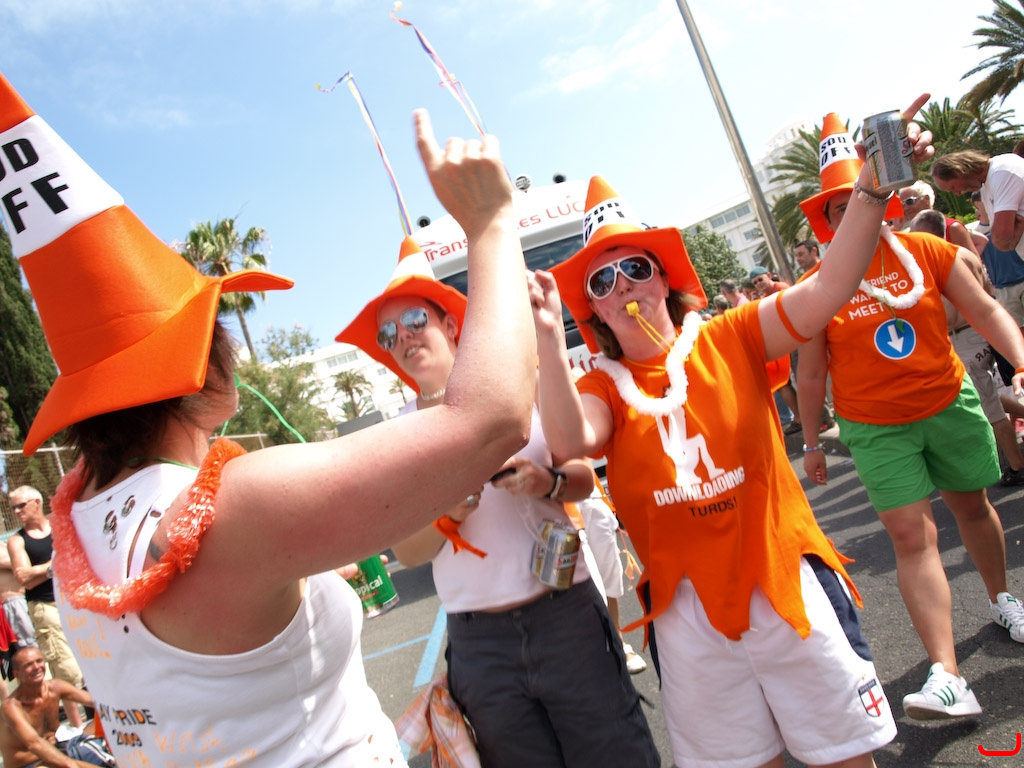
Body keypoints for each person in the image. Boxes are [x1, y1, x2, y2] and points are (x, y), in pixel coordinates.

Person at [0, 70, 538, 767]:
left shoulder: (74, 521)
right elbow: (493, 417)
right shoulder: (228, 504)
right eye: (215, 323)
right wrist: (491, 223)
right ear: (200, 368)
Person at [527, 94, 936, 768]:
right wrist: (547, 339)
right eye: (602, 279)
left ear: (664, 277)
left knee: (846, 758)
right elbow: (572, 443)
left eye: (635, 267)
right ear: (592, 309)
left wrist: (867, 191)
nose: (622, 284)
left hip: (784, 583)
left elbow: (827, 290)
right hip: (687, 617)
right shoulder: (599, 385)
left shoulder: (733, 336)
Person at [336, 238, 660, 768]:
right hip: (481, 645)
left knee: (616, 755)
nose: (403, 337)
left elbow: (582, 477)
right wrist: (447, 514)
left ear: (451, 325)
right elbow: (409, 553)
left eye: (414, 320)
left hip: (566, 618)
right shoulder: (397, 437)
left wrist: (546, 483)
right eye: (388, 334)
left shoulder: (521, 388)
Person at [797, 116, 1024, 723]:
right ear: (830, 222)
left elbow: (985, 312)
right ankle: (947, 675)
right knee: (910, 537)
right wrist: (813, 441)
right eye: (841, 207)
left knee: (972, 507)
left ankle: (1003, 598)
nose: (856, 212)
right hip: (875, 428)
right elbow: (810, 375)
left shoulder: (928, 251)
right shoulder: (817, 288)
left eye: (864, 199)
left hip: (948, 405)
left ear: (887, 202)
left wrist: (1023, 362)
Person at [908, 210, 1024, 486]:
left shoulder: (940, 261)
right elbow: (987, 294)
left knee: (989, 406)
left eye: (916, 235)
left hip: (966, 336)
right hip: (977, 334)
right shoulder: (963, 255)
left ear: (929, 234)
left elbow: (951, 311)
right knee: (987, 394)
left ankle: (1017, 466)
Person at [6, 487, 83, 727]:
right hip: (45, 606)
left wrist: (41, 569)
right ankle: (77, 726)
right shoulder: (17, 540)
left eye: (21, 505)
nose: (16, 511)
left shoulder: (60, 526)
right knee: (66, 669)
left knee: (91, 656)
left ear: (37, 502)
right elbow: (25, 578)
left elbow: (77, 556)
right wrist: (57, 564)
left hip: (76, 600)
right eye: (13, 507)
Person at [0, 646, 111, 768]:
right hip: (31, 763)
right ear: (16, 674)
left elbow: (100, 703)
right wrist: (72, 764)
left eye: (39, 661)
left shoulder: (54, 687)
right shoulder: (12, 707)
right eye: (28, 665)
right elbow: (34, 744)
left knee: (106, 726)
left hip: (58, 750)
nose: (36, 667)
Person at [931, 149, 1024, 257]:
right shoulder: (986, 188)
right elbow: (1000, 242)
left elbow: (1001, 235)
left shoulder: (1002, 171)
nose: (958, 193)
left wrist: (1008, 237)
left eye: (953, 187)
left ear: (959, 171)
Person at [897, 181, 979, 254]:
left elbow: (974, 261)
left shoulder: (951, 227)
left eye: (909, 201)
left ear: (926, 199)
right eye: (901, 204)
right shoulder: (906, 234)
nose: (905, 208)